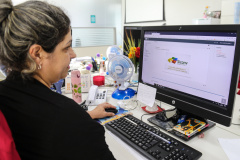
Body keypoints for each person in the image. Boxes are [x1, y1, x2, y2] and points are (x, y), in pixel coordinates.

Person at [0, 0, 116, 159]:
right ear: (37, 54)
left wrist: (85, 116)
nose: (73, 54)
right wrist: (79, 121)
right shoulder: (67, 117)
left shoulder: (5, 95)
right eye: (66, 47)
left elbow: (38, 131)